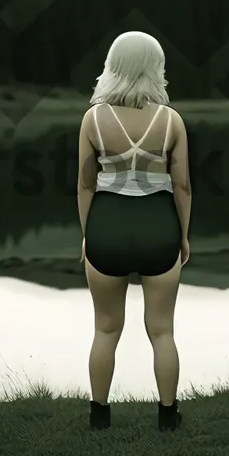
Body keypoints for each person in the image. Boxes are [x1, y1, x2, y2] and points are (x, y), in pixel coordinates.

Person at [77, 31, 192, 431]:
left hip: (107, 225)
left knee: (105, 328)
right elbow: (182, 187)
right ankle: (167, 415)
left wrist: (87, 234)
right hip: (158, 226)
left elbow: (86, 184)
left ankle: (99, 416)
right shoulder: (171, 120)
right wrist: (183, 236)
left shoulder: (93, 118)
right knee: (162, 331)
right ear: (154, 67)